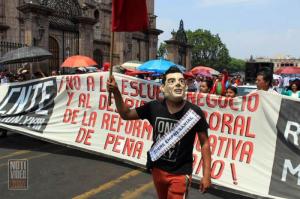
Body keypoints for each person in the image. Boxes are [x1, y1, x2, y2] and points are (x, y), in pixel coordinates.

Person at [107, 66, 211, 199]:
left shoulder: (195, 112)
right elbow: (126, 114)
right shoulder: (153, 107)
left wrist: (207, 174)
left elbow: (205, 143)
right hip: (158, 170)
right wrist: (116, 92)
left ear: (185, 87)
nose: (178, 83)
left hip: (180, 174)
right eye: (172, 81)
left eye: (181, 81)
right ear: (162, 88)